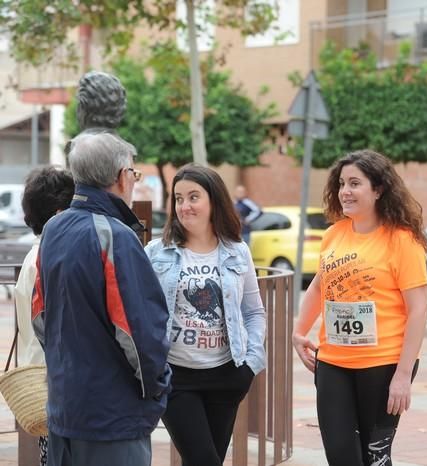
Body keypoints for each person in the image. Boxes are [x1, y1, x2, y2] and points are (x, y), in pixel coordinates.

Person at [32, 132, 171, 466]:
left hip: (65, 407)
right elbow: (140, 334)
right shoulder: (116, 236)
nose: (134, 181)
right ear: (121, 177)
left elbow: (39, 314)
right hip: (111, 418)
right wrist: (157, 389)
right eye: (134, 174)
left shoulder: (53, 229)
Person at [292, 149, 427, 466]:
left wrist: (403, 375)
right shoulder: (333, 235)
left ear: (378, 189)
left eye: (355, 183)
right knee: (340, 455)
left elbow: (419, 309)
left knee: (375, 457)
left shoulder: (402, 240)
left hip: (383, 365)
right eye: (342, 183)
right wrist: (299, 332)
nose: (345, 192)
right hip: (334, 363)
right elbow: (319, 286)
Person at [145, 164, 266, 466]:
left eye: (193, 197)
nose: (184, 206)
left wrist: (250, 364)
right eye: (178, 198)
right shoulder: (156, 252)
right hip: (176, 376)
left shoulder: (237, 251)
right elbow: (141, 313)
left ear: (214, 201)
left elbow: (253, 311)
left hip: (227, 374)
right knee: (203, 460)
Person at [14, 166, 74, 466]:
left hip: (40, 379)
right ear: (62, 212)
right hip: (57, 386)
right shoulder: (51, 258)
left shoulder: (33, 256)